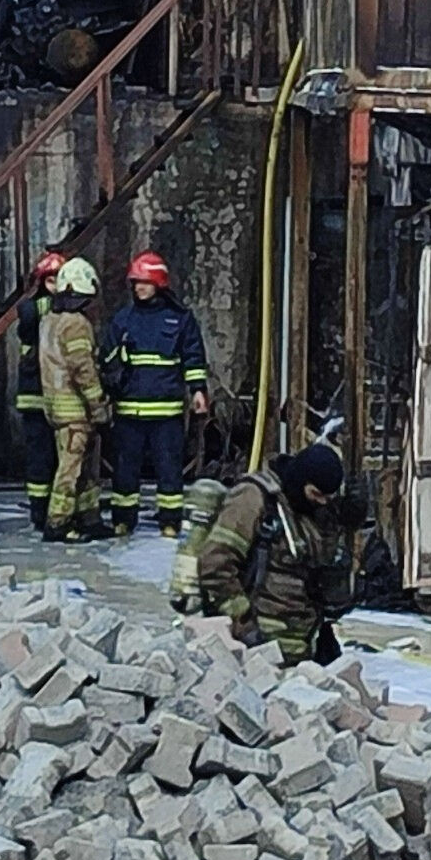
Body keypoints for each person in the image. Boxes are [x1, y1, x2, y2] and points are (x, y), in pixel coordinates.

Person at [175, 439, 361, 661]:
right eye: (316, 494)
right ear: (302, 481)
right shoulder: (254, 498)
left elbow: (325, 576)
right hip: (260, 645)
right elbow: (216, 565)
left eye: (327, 498)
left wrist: (349, 520)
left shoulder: (313, 511)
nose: (322, 502)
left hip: (302, 644)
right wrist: (244, 625)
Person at [101, 252, 211, 534]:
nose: (138, 287)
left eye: (144, 282)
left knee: (169, 469)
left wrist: (198, 391)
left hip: (167, 412)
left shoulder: (180, 319)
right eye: (135, 282)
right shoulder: (123, 320)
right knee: (125, 470)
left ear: (159, 283)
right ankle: (123, 520)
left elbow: (193, 358)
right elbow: (106, 361)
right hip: (128, 411)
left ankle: (170, 521)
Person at [34, 255, 114, 540]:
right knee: (71, 469)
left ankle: (89, 517)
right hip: (76, 412)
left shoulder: (49, 320)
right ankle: (58, 523)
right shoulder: (76, 324)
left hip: (58, 409)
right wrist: (99, 406)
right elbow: (83, 370)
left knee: (84, 468)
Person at [8, 249, 68, 514]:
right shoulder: (31, 308)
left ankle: (56, 504)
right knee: (40, 456)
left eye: (59, 280)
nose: (56, 286)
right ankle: (40, 507)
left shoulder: (69, 309)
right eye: (51, 280)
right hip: (36, 396)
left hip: (60, 396)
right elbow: (28, 322)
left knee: (60, 456)